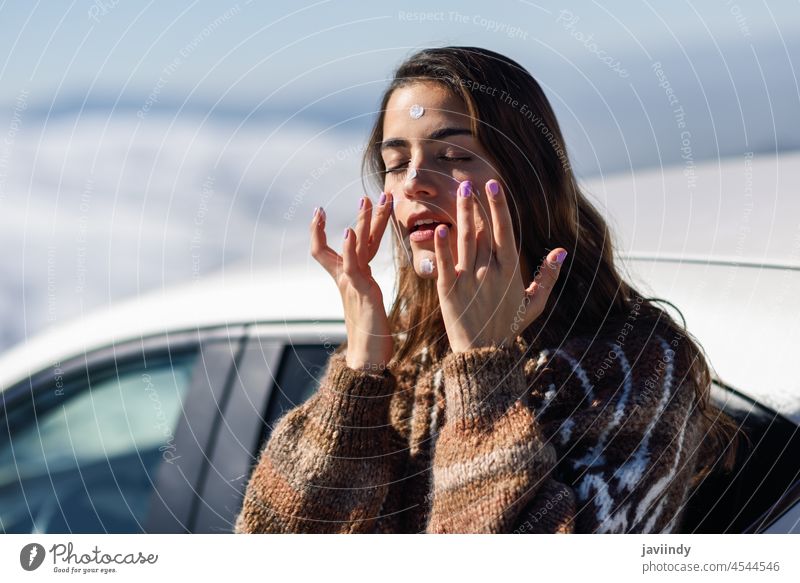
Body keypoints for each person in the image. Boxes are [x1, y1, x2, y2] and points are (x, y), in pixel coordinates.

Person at [233, 46, 738, 534]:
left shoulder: (635, 368)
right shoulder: (407, 354)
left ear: (527, 176)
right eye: (394, 162)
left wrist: (483, 376)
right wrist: (361, 372)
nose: (413, 183)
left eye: (452, 155)